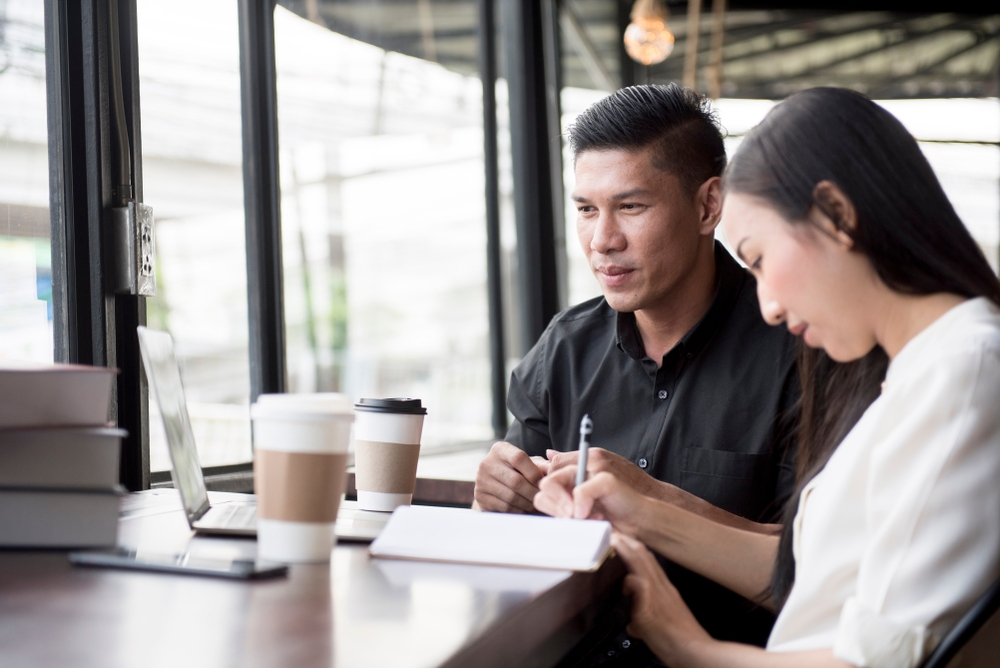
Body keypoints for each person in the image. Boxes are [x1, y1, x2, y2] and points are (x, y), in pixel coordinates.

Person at [534, 87, 1000, 668]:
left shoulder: (962, 370)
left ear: (836, 216)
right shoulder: (926, 371)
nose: (770, 305)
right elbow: (804, 569)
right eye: (585, 208)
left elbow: (877, 662)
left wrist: (689, 647)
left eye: (759, 259)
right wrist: (644, 510)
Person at [474, 83, 799, 648]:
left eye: (631, 206)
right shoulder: (563, 350)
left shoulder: (799, 347)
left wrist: (650, 499)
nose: (602, 240)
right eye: (585, 210)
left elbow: (819, 565)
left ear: (707, 206)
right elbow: (524, 543)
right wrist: (499, 500)